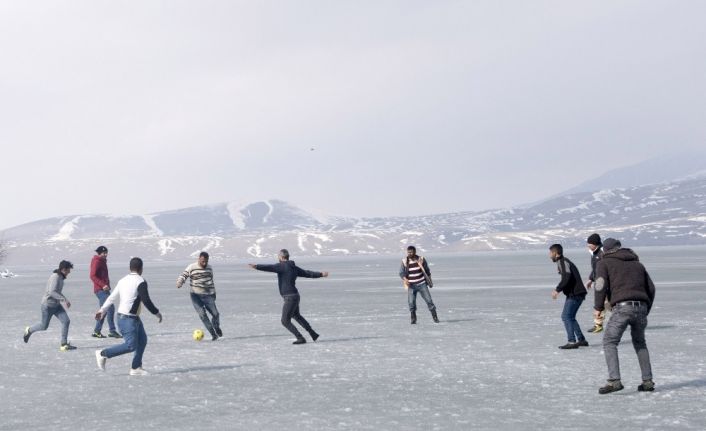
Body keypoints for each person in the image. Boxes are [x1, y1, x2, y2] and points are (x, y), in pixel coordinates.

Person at [594, 238, 656, 394]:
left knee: (609, 341)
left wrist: (598, 308)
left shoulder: (604, 263)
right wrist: (645, 308)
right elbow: (651, 288)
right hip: (641, 307)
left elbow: (600, 285)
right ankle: (647, 381)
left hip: (622, 307)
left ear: (605, 250)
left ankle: (614, 381)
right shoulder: (637, 264)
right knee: (640, 343)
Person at [94, 257, 162, 376]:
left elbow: (111, 297)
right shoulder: (140, 281)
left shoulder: (123, 280)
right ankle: (103, 353)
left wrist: (102, 310)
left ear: (130, 268)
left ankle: (136, 367)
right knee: (131, 345)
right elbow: (146, 300)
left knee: (142, 340)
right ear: (141, 269)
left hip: (130, 318)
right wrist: (156, 313)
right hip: (128, 319)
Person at [249, 249, 328, 344]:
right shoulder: (293, 267)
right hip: (295, 296)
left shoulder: (281, 266)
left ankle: (300, 338)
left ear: (281, 257)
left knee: (285, 321)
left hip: (289, 298)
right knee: (296, 316)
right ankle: (313, 333)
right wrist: (320, 274)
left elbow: (269, 267)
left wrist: (257, 266)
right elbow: (307, 273)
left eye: (278, 256)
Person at [23, 260, 77, 351]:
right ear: (63, 269)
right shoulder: (55, 277)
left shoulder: (61, 277)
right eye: (68, 270)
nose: (69, 272)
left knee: (66, 321)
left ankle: (63, 344)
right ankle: (29, 330)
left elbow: (57, 292)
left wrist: (65, 300)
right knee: (44, 326)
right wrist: (63, 299)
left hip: (57, 306)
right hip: (47, 306)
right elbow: (52, 292)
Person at [549, 244, 588, 349]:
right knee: (570, 317)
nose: (549, 255)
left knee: (566, 316)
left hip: (575, 294)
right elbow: (567, 276)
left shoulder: (563, 262)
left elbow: (567, 277)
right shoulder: (563, 262)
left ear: (555, 253)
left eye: (550, 253)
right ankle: (581, 340)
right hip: (576, 293)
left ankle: (571, 341)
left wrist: (557, 290)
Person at [177, 252, 221, 341]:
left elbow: (210, 281)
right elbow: (183, 275)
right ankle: (213, 334)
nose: (204, 263)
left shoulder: (209, 268)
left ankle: (216, 327)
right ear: (199, 259)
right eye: (203, 261)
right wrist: (180, 282)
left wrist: (213, 293)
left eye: (206, 261)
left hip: (208, 295)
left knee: (216, 314)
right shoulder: (191, 267)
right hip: (195, 295)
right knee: (202, 314)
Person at [399, 246, 439, 324]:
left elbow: (427, 271)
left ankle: (435, 317)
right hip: (411, 285)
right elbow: (401, 272)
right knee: (411, 303)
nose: (410, 253)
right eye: (408, 252)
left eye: (411, 252)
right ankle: (413, 318)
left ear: (415, 252)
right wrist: (405, 279)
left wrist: (430, 281)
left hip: (422, 284)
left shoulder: (421, 259)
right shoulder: (404, 261)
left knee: (429, 301)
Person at [90, 245, 121, 338]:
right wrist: (103, 285)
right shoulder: (97, 261)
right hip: (100, 290)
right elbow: (92, 276)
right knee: (110, 307)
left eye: (106, 253)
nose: (106, 254)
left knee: (104, 310)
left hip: (104, 289)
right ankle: (112, 331)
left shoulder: (102, 261)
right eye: (104, 253)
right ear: (99, 253)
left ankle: (97, 331)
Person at [585, 234, 608, 333]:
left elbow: (605, 269)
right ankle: (598, 325)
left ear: (595, 244)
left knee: (606, 304)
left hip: (604, 284)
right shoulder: (594, 253)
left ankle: (627, 320)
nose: (588, 245)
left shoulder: (602, 252)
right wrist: (591, 279)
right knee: (601, 303)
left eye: (590, 243)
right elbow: (595, 268)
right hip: (599, 282)